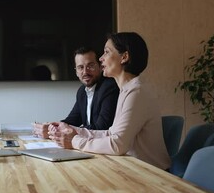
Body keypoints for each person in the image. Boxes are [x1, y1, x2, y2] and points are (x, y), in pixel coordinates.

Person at [48, 32, 171, 170]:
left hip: (152, 174)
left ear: (124, 57)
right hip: (132, 168)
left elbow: (117, 145)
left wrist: (75, 141)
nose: (101, 59)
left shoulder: (136, 92)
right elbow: (110, 133)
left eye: (106, 52)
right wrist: (73, 130)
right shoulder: (127, 90)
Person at [33, 47, 119, 138]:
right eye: (80, 67)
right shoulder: (82, 91)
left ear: (101, 67)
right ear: (76, 72)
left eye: (90, 66)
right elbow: (72, 121)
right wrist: (51, 128)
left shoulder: (109, 87)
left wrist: (60, 131)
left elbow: (101, 128)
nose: (85, 72)